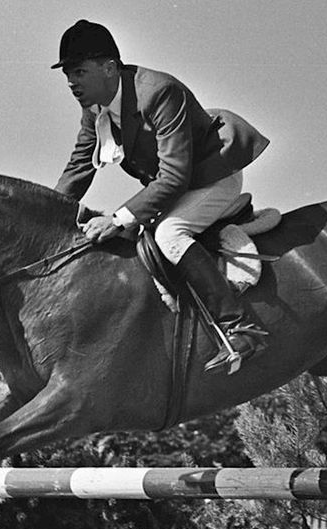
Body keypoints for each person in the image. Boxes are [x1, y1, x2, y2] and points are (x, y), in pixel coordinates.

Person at [52, 19, 270, 372]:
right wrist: (48, 213)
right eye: (67, 75)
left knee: (170, 233)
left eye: (78, 71)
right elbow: (80, 165)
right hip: (176, 181)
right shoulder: (94, 106)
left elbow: (174, 178)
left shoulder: (158, 91)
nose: (71, 83)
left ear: (109, 68)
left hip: (212, 176)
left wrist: (117, 218)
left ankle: (240, 327)